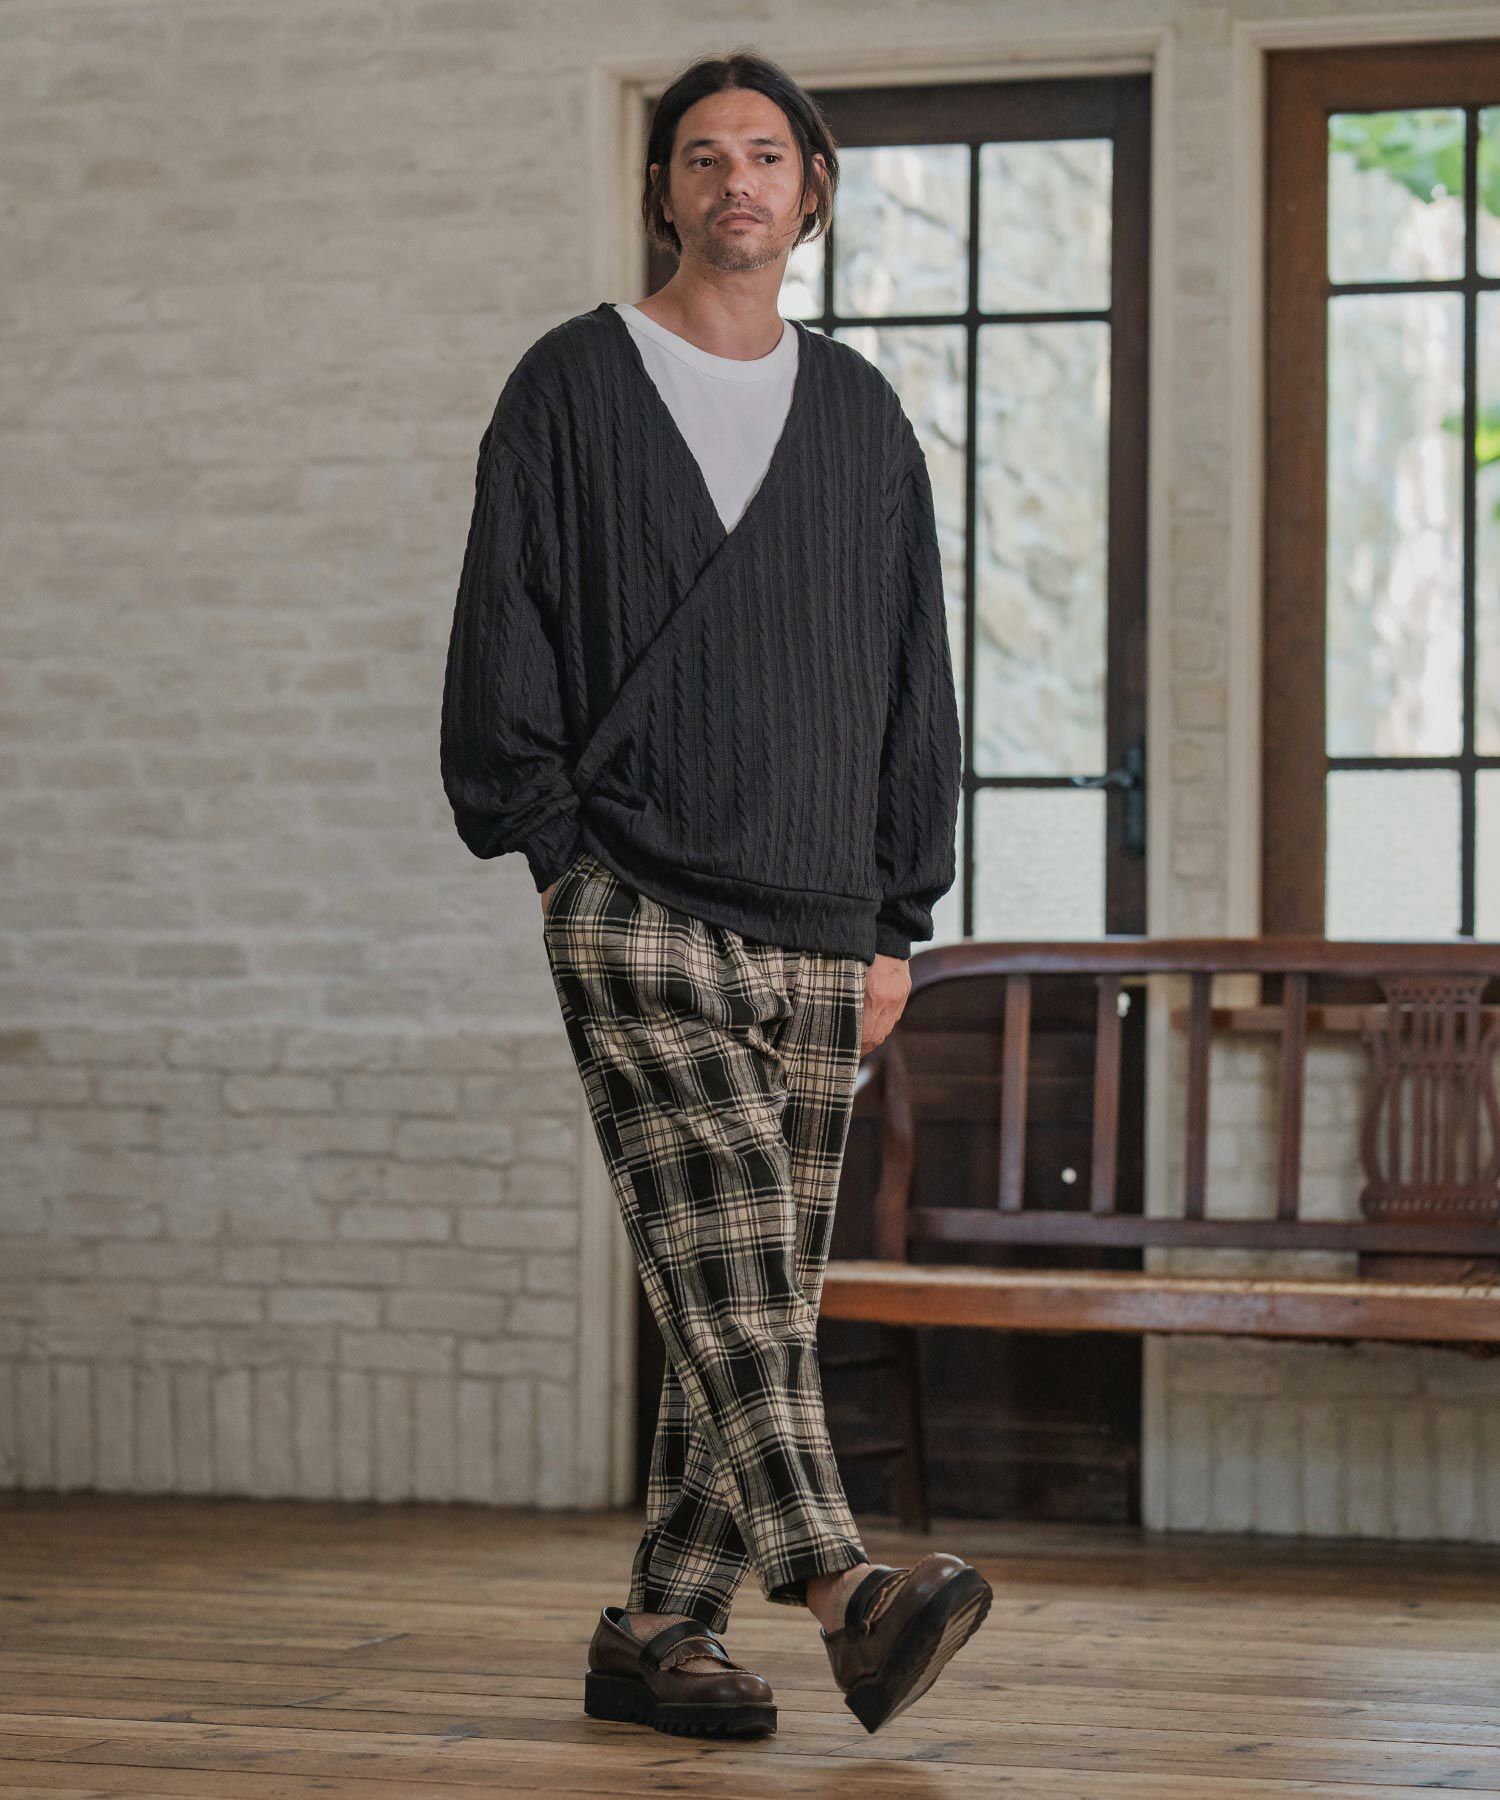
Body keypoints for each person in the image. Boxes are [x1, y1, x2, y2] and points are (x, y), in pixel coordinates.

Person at [439, 46, 988, 1739]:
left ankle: (658, 1632)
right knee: (736, 1258)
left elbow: (911, 675)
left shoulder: (864, 416)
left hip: (826, 919)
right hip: (636, 899)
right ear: (663, 191)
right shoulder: (572, 386)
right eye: (700, 155)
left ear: (809, 192)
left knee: (734, 1283)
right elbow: (503, 627)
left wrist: (898, 920)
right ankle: (845, 1590)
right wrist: (560, 852)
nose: (733, 180)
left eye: (765, 154)